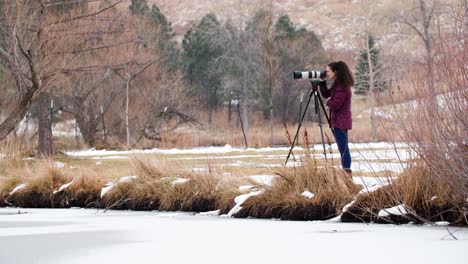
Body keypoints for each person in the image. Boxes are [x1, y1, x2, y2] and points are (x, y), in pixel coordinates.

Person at [319, 61, 354, 177]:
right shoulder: (338, 84)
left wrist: (328, 102)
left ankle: (347, 172)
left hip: (341, 121)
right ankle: (346, 171)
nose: (326, 73)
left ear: (335, 72)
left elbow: (336, 104)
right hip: (339, 120)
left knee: (343, 148)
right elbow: (326, 94)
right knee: (342, 147)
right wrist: (321, 83)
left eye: (328, 71)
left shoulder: (342, 86)